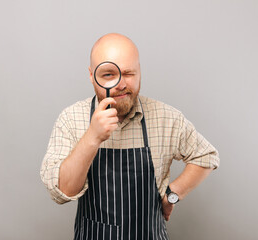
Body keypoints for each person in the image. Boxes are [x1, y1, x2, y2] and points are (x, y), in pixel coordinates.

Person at [40, 33, 220, 240]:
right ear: (92, 75)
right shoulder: (71, 119)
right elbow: (62, 192)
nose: (121, 84)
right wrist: (92, 137)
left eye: (128, 73)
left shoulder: (166, 117)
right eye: (108, 74)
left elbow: (207, 156)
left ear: (139, 71)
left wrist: (173, 195)